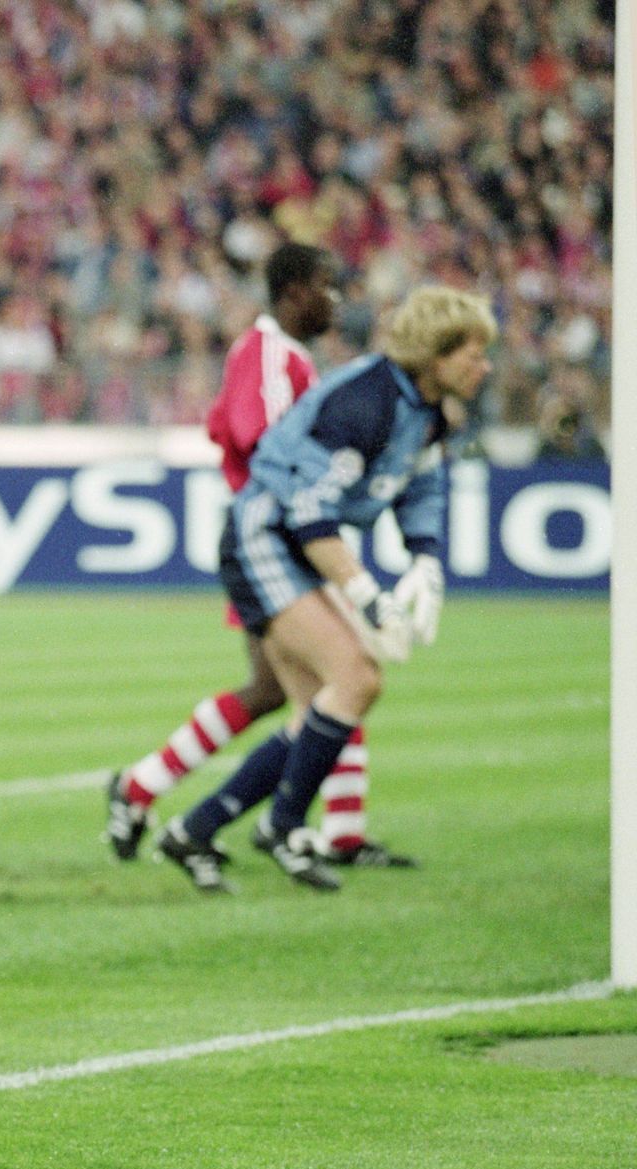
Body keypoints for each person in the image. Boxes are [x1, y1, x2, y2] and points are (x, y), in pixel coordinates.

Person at [152, 286, 495, 893]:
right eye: (473, 353)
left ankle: (195, 829)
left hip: (295, 541)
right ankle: (283, 827)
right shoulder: (365, 403)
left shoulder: (428, 410)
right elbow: (310, 515)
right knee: (357, 678)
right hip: (268, 535)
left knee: (319, 707)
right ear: (436, 355)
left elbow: (421, 488)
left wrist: (426, 560)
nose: (485, 366)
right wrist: (366, 593)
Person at [104, 245, 413, 868]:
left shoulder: (283, 356)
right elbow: (263, 441)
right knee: (338, 675)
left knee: (292, 687)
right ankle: (326, 832)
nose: (336, 298)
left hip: (273, 541)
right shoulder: (273, 356)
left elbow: (226, 428)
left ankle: (142, 789)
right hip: (272, 544)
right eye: (327, 284)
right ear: (295, 290)